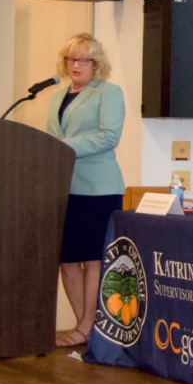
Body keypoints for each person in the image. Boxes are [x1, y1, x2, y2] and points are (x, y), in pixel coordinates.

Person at [47, 33, 125, 349]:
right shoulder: (58, 96)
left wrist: (66, 145)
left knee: (93, 260)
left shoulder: (108, 92)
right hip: (64, 187)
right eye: (71, 59)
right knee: (67, 260)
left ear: (96, 64)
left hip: (98, 188)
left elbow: (109, 136)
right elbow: (52, 138)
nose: (75, 65)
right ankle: (84, 327)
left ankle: (86, 326)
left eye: (83, 60)